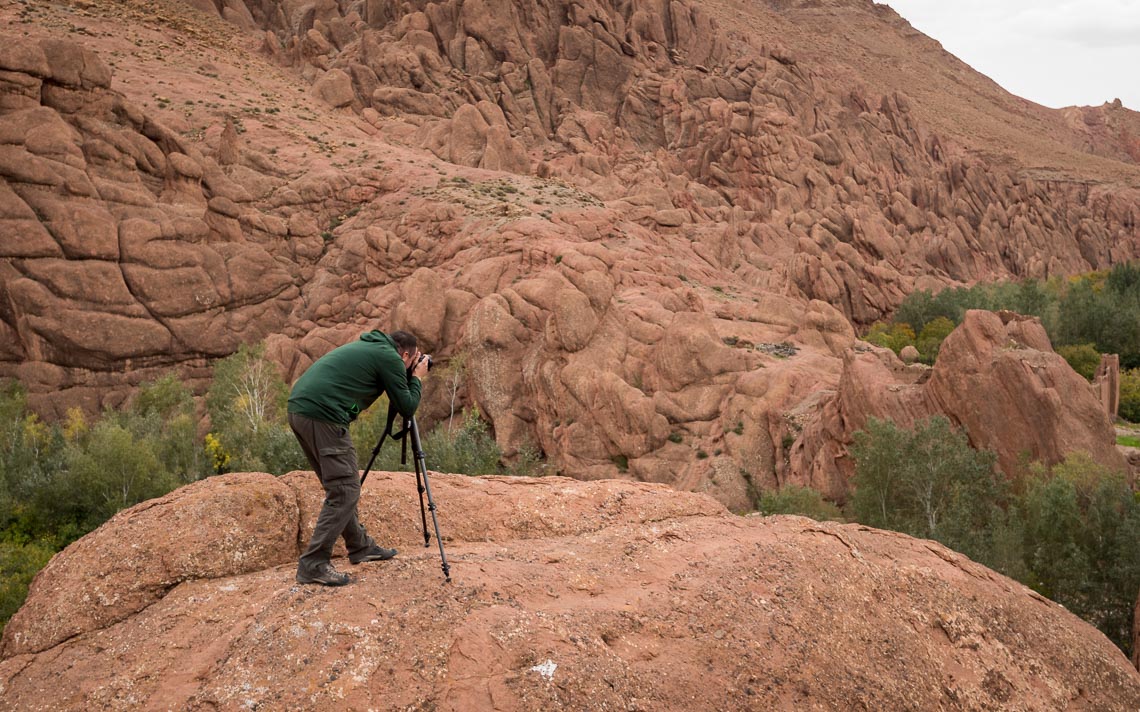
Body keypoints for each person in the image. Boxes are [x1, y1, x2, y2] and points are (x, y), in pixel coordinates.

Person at [287, 329, 431, 586]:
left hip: (301, 409)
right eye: (412, 360)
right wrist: (417, 378)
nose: (410, 366)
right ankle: (313, 564)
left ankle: (360, 546)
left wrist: (407, 375)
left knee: (340, 488)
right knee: (344, 491)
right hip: (323, 415)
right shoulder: (389, 357)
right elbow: (407, 405)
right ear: (406, 354)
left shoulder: (373, 348)